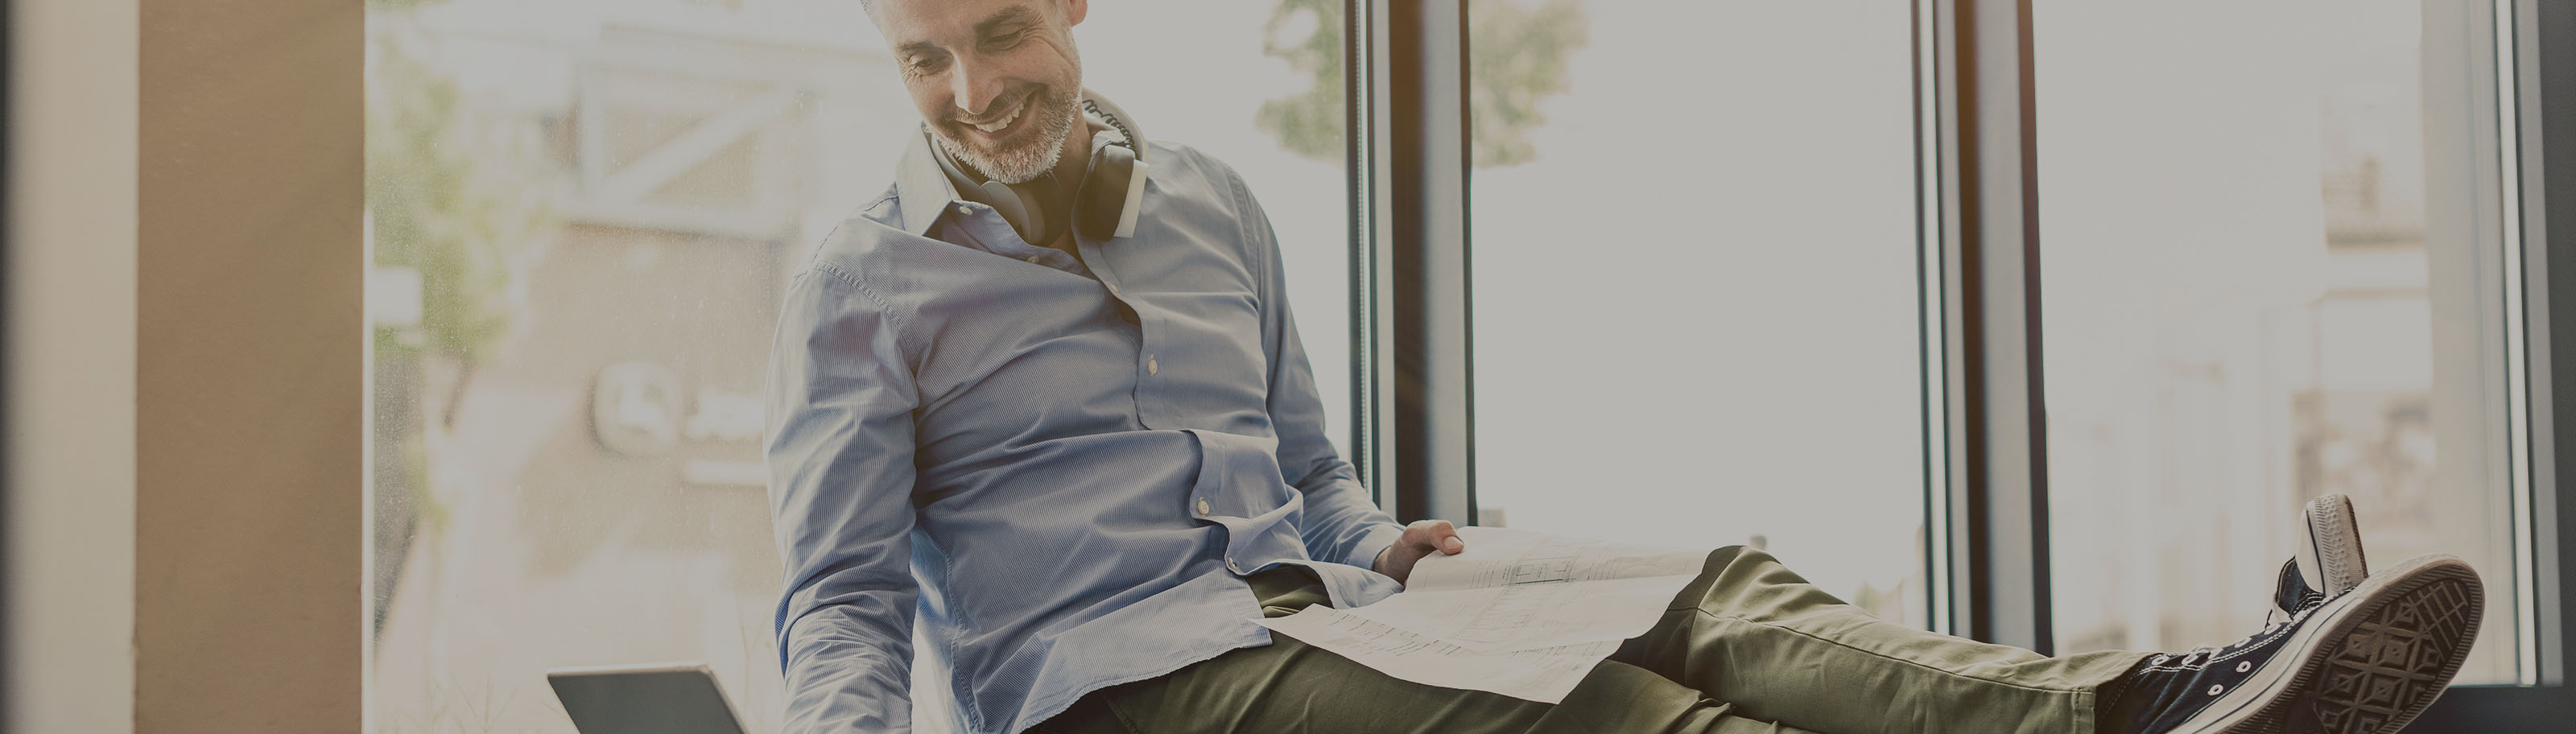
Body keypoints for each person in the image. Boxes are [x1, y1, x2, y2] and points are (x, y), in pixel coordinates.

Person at [761, 1, 2486, 732]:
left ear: (1070, 3)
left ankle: (2156, 704)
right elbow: (839, 594)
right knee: (1613, 708)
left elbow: (1310, 466)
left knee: (1708, 588)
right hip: (1114, 685)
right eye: (923, 57)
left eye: (1000, 32)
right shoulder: (858, 284)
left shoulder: (1208, 202)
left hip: (1323, 602)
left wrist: (1374, 541)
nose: (972, 91)